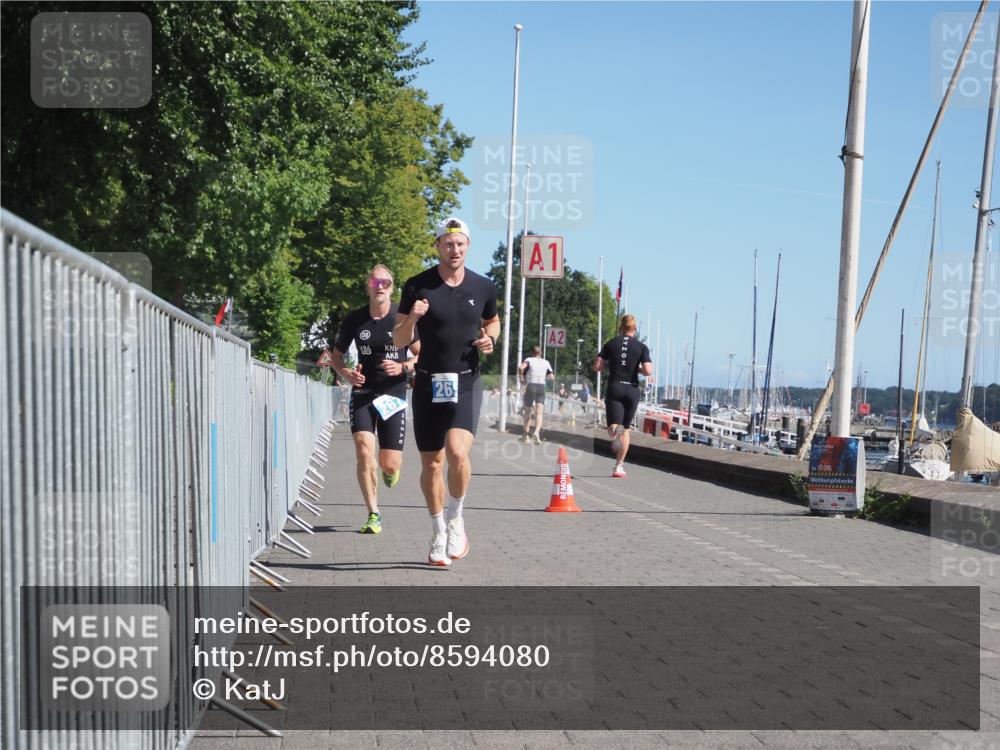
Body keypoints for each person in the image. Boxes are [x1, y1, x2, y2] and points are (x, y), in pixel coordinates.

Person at [394, 217, 500, 567]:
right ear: (438, 246)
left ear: (468, 246)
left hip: (467, 380)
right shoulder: (417, 286)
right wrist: (413, 317)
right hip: (427, 381)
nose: (454, 250)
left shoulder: (484, 286)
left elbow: (492, 321)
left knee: (457, 452)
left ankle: (456, 518)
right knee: (432, 463)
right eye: (448, 244)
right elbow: (398, 339)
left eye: (460, 244)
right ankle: (438, 531)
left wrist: (491, 339)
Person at [331, 265, 419, 535]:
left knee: (389, 463)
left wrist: (403, 366)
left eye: (386, 282)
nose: (379, 286)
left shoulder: (401, 317)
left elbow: (421, 356)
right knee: (364, 451)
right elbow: (336, 356)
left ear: (392, 287)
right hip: (364, 393)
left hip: (392, 393)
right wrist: (346, 373)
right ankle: (373, 513)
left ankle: (390, 471)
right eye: (374, 281)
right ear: (367, 286)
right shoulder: (355, 319)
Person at [594, 314, 653, 478]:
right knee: (626, 430)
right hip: (632, 390)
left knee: (614, 428)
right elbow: (648, 370)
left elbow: (597, 366)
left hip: (615, 387)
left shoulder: (611, 344)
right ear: (635, 329)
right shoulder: (641, 346)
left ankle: (614, 433)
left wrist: (610, 366)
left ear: (620, 327)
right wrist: (637, 369)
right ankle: (618, 467)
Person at [518, 345, 553, 443]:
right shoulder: (546, 362)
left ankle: (526, 436)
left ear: (532, 353)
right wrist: (542, 375)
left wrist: (521, 378)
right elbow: (551, 377)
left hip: (531, 386)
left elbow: (521, 368)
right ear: (540, 353)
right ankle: (536, 432)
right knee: (539, 413)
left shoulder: (529, 360)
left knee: (528, 412)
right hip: (541, 387)